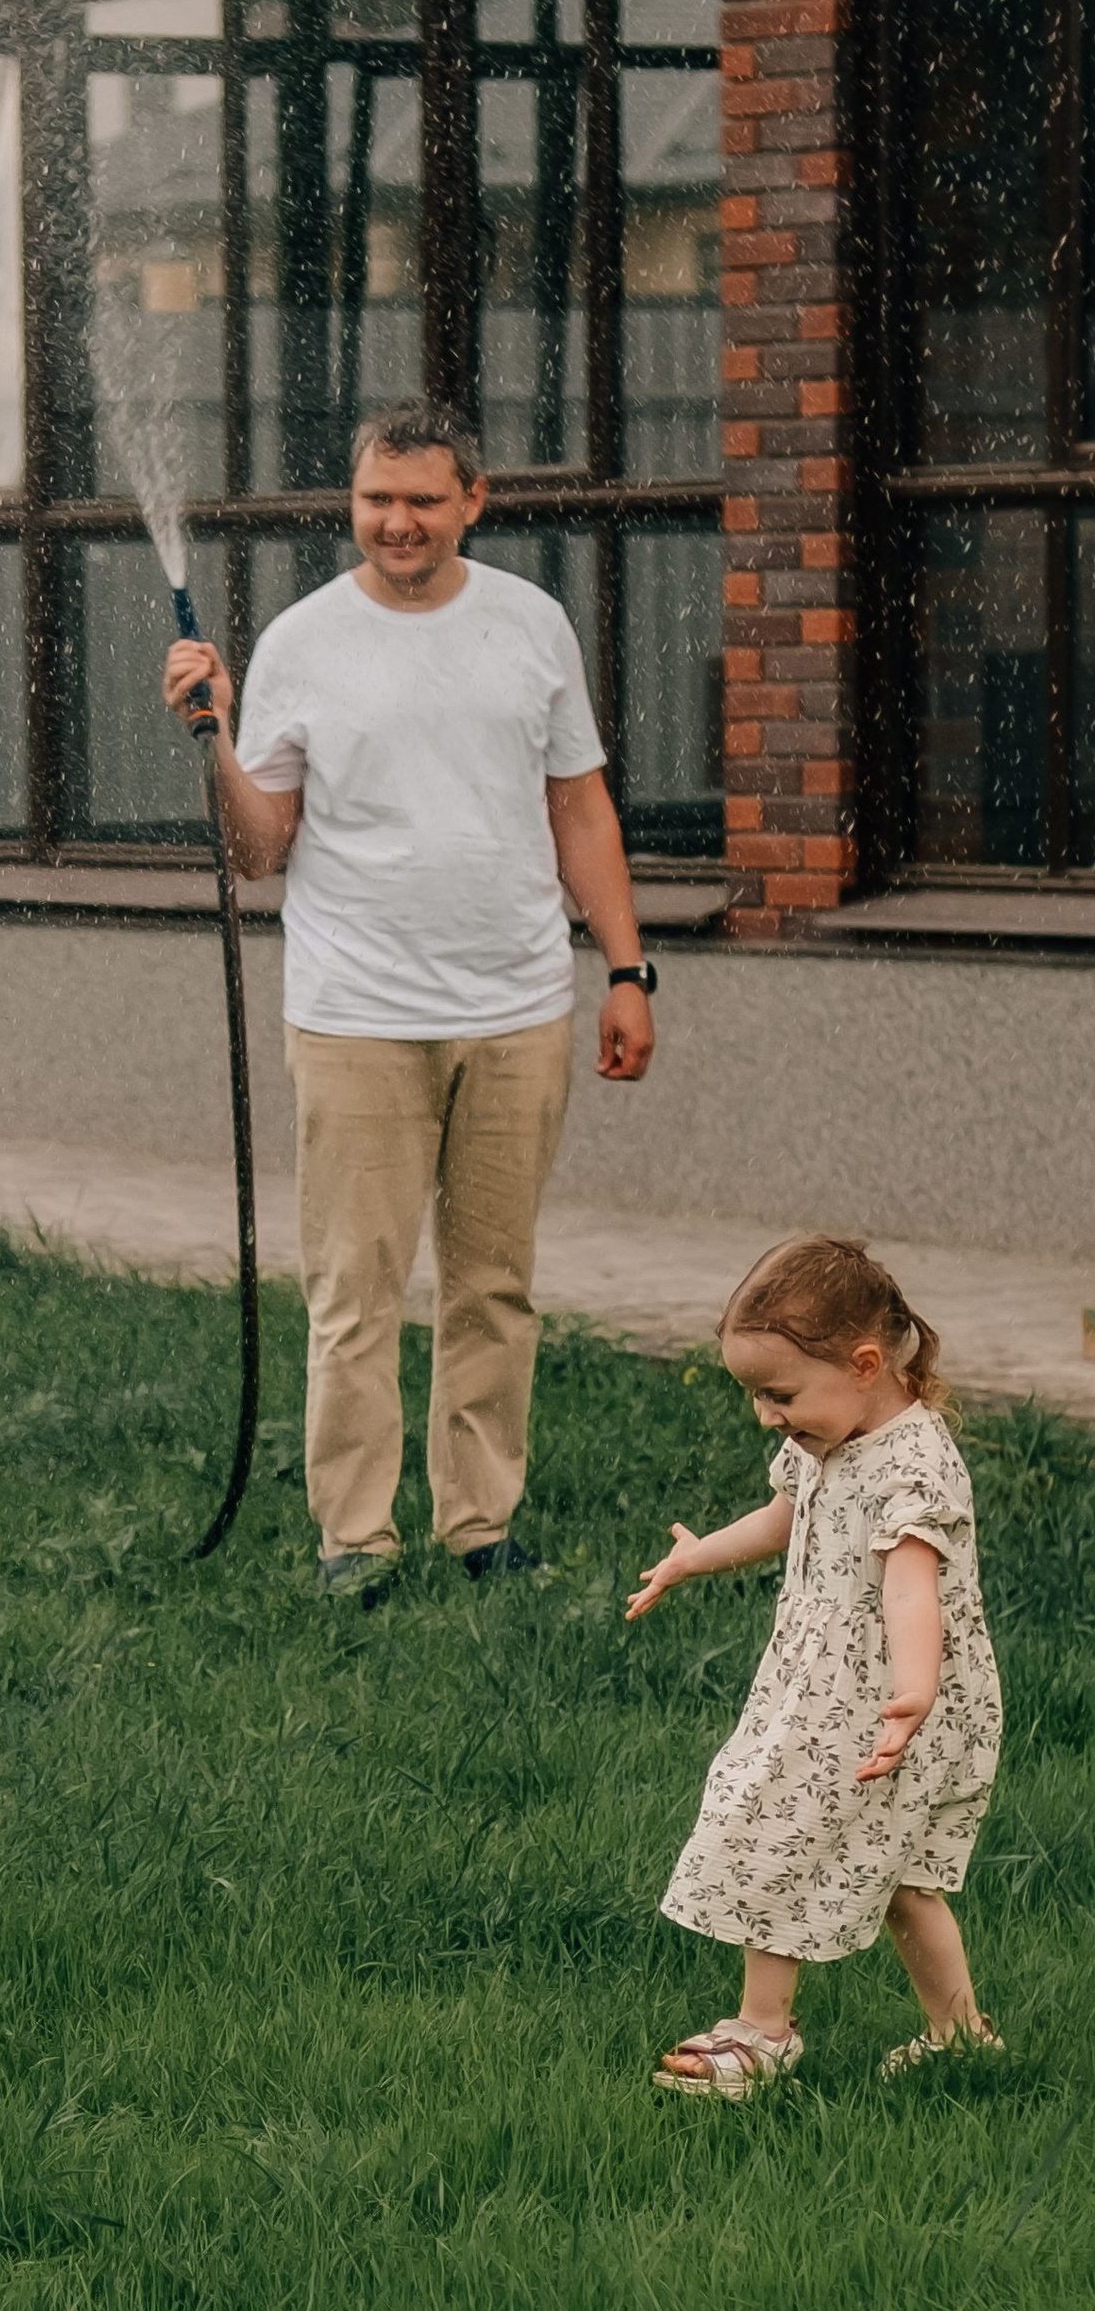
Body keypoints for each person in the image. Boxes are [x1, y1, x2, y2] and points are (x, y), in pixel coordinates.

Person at [163, 399, 656, 1601]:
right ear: (353, 502)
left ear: (471, 503)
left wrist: (626, 970)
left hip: (519, 1005)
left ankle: (481, 1527)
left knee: (494, 1285)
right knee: (355, 1293)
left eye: (423, 502)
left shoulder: (530, 626)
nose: (396, 523)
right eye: (377, 500)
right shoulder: (301, 641)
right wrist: (218, 741)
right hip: (354, 1016)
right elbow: (259, 848)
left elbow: (579, 809)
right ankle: (354, 1543)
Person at [626, 1235, 1003, 2098]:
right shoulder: (826, 1437)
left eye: (780, 1393)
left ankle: (762, 2035)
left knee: (776, 1830)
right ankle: (960, 2037)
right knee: (905, 1881)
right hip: (847, 1692)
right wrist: (696, 1558)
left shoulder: (912, 1465)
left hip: (883, 1701)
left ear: (865, 1363)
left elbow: (913, 1590)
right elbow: (780, 1519)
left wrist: (911, 1694)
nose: (768, 1414)